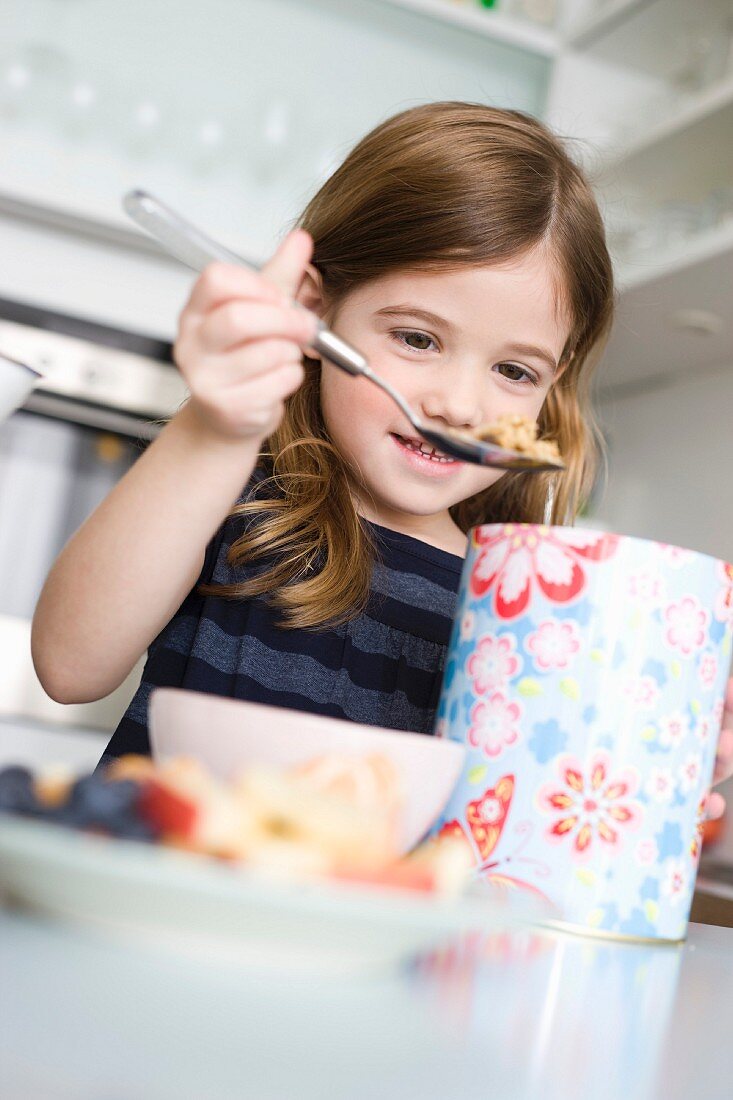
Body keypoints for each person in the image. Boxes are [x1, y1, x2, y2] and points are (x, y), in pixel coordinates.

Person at [30, 102, 733, 805]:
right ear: (313, 309)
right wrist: (213, 430)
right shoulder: (229, 488)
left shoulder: (520, 613)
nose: (458, 405)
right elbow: (69, 666)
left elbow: (521, 819)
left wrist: (656, 771)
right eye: (417, 339)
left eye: (514, 372)